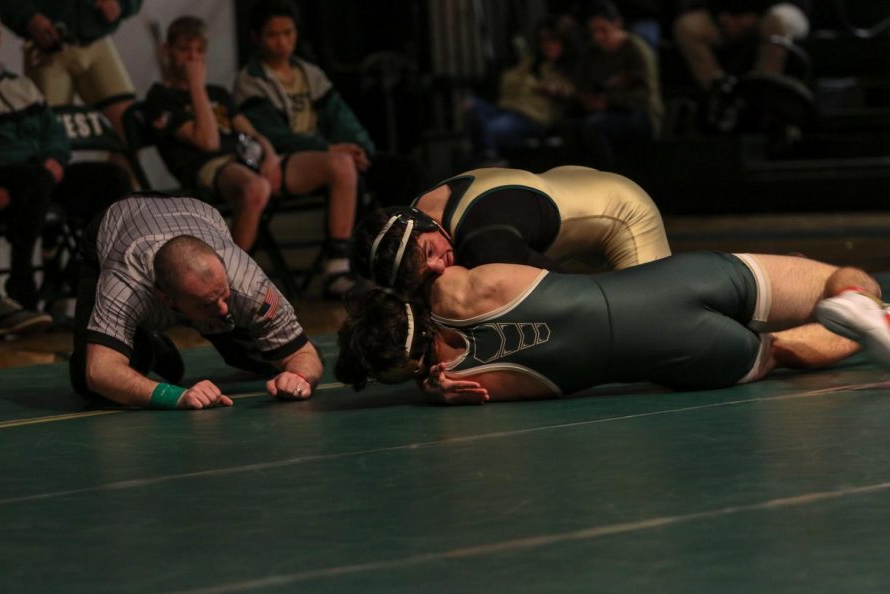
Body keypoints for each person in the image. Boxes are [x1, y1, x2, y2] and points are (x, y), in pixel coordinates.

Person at [335, 251, 888, 404]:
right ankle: (861, 307)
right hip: (677, 282)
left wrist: (429, 387)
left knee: (781, 351)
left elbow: (427, 368)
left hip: (687, 356)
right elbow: (427, 261)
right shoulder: (457, 289)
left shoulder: (471, 385)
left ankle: (854, 332)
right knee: (832, 283)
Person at [144, 15, 357, 296]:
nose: (193, 58)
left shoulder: (218, 93)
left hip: (252, 160)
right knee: (255, 188)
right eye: (185, 50)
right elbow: (208, 142)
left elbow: (253, 132)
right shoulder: (160, 98)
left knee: (340, 165)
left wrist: (270, 157)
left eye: (199, 51)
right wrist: (197, 86)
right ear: (169, 50)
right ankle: (226, 281)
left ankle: (336, 268)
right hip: (211, 167)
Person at [69, 193, 323, 410]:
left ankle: (164, 328)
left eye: (224, 296)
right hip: (118, 223)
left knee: (264, 360)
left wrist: (299, 377)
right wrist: (176, 396)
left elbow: (303, 352)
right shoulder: (125, 285)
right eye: (207, 303)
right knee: (88, 382)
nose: (224, 309)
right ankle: (143, 341)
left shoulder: (247, 282)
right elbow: (98, 372)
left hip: (195, 213)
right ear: (166, 299)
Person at [0, 3, 131, 335]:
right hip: (2, 175)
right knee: (36, 179)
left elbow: (55, 133)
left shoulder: (18, 85)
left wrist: (55, 158)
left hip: (39, 175)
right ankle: (21, 281)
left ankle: (83, 274)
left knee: (113, 178)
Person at [350, 165, 671, 297]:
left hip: (620, 214)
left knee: (648, 324)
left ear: (421, 224)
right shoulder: (420, 210)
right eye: (418, 274)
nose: (437, 267)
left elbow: (576, 295)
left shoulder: (484, 242)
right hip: (568, 194)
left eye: (429, 253)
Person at [233, 0, 426, 209]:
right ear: (256, 38)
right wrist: (330, 149)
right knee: (348, 174)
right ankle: (350, 240)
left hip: (334, 151)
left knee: (408, 171)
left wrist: (361, 150)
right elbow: (275, 136)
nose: (282, 42)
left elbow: (341, 117)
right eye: (273, 35)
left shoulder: (310, 74)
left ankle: (400, 232)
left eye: (288, 33)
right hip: (290, 160)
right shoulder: (250, 81)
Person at [0, 0, 142, 142]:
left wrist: (122, 4)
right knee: (49, 144)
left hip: (97, 42)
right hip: (47, 48)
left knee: (133, 133)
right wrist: (28, 17)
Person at [462, 15, 579, 164]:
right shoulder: (532, 63)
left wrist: (542, 87)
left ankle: (489, 158)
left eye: (553, 40)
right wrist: (534, 84)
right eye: (543, 41)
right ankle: (485, 154)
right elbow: (507, 81)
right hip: (507, 108)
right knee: (473, 107)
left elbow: (567, 91)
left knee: (489, 129)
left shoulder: (567, 69)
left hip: (532, 117)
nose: (547, 45)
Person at [573, 0, 664, 173]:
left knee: (594, 127)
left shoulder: (635, 49)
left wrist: (610, 101)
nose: (598, 36)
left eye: (603, 30)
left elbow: (645, 94)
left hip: (637, 112)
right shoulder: (591, 52)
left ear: (616, 24)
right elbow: (581, 84)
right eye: (594, 31)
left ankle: (609, 177)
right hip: (602, 110)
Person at [672, 1, 812, 92]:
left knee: (776, 21)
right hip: (732, 16)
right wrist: (722, 16)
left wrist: (752, 16)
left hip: (782, 9)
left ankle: (764, 92)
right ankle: (720, 92)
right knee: (687, 27)